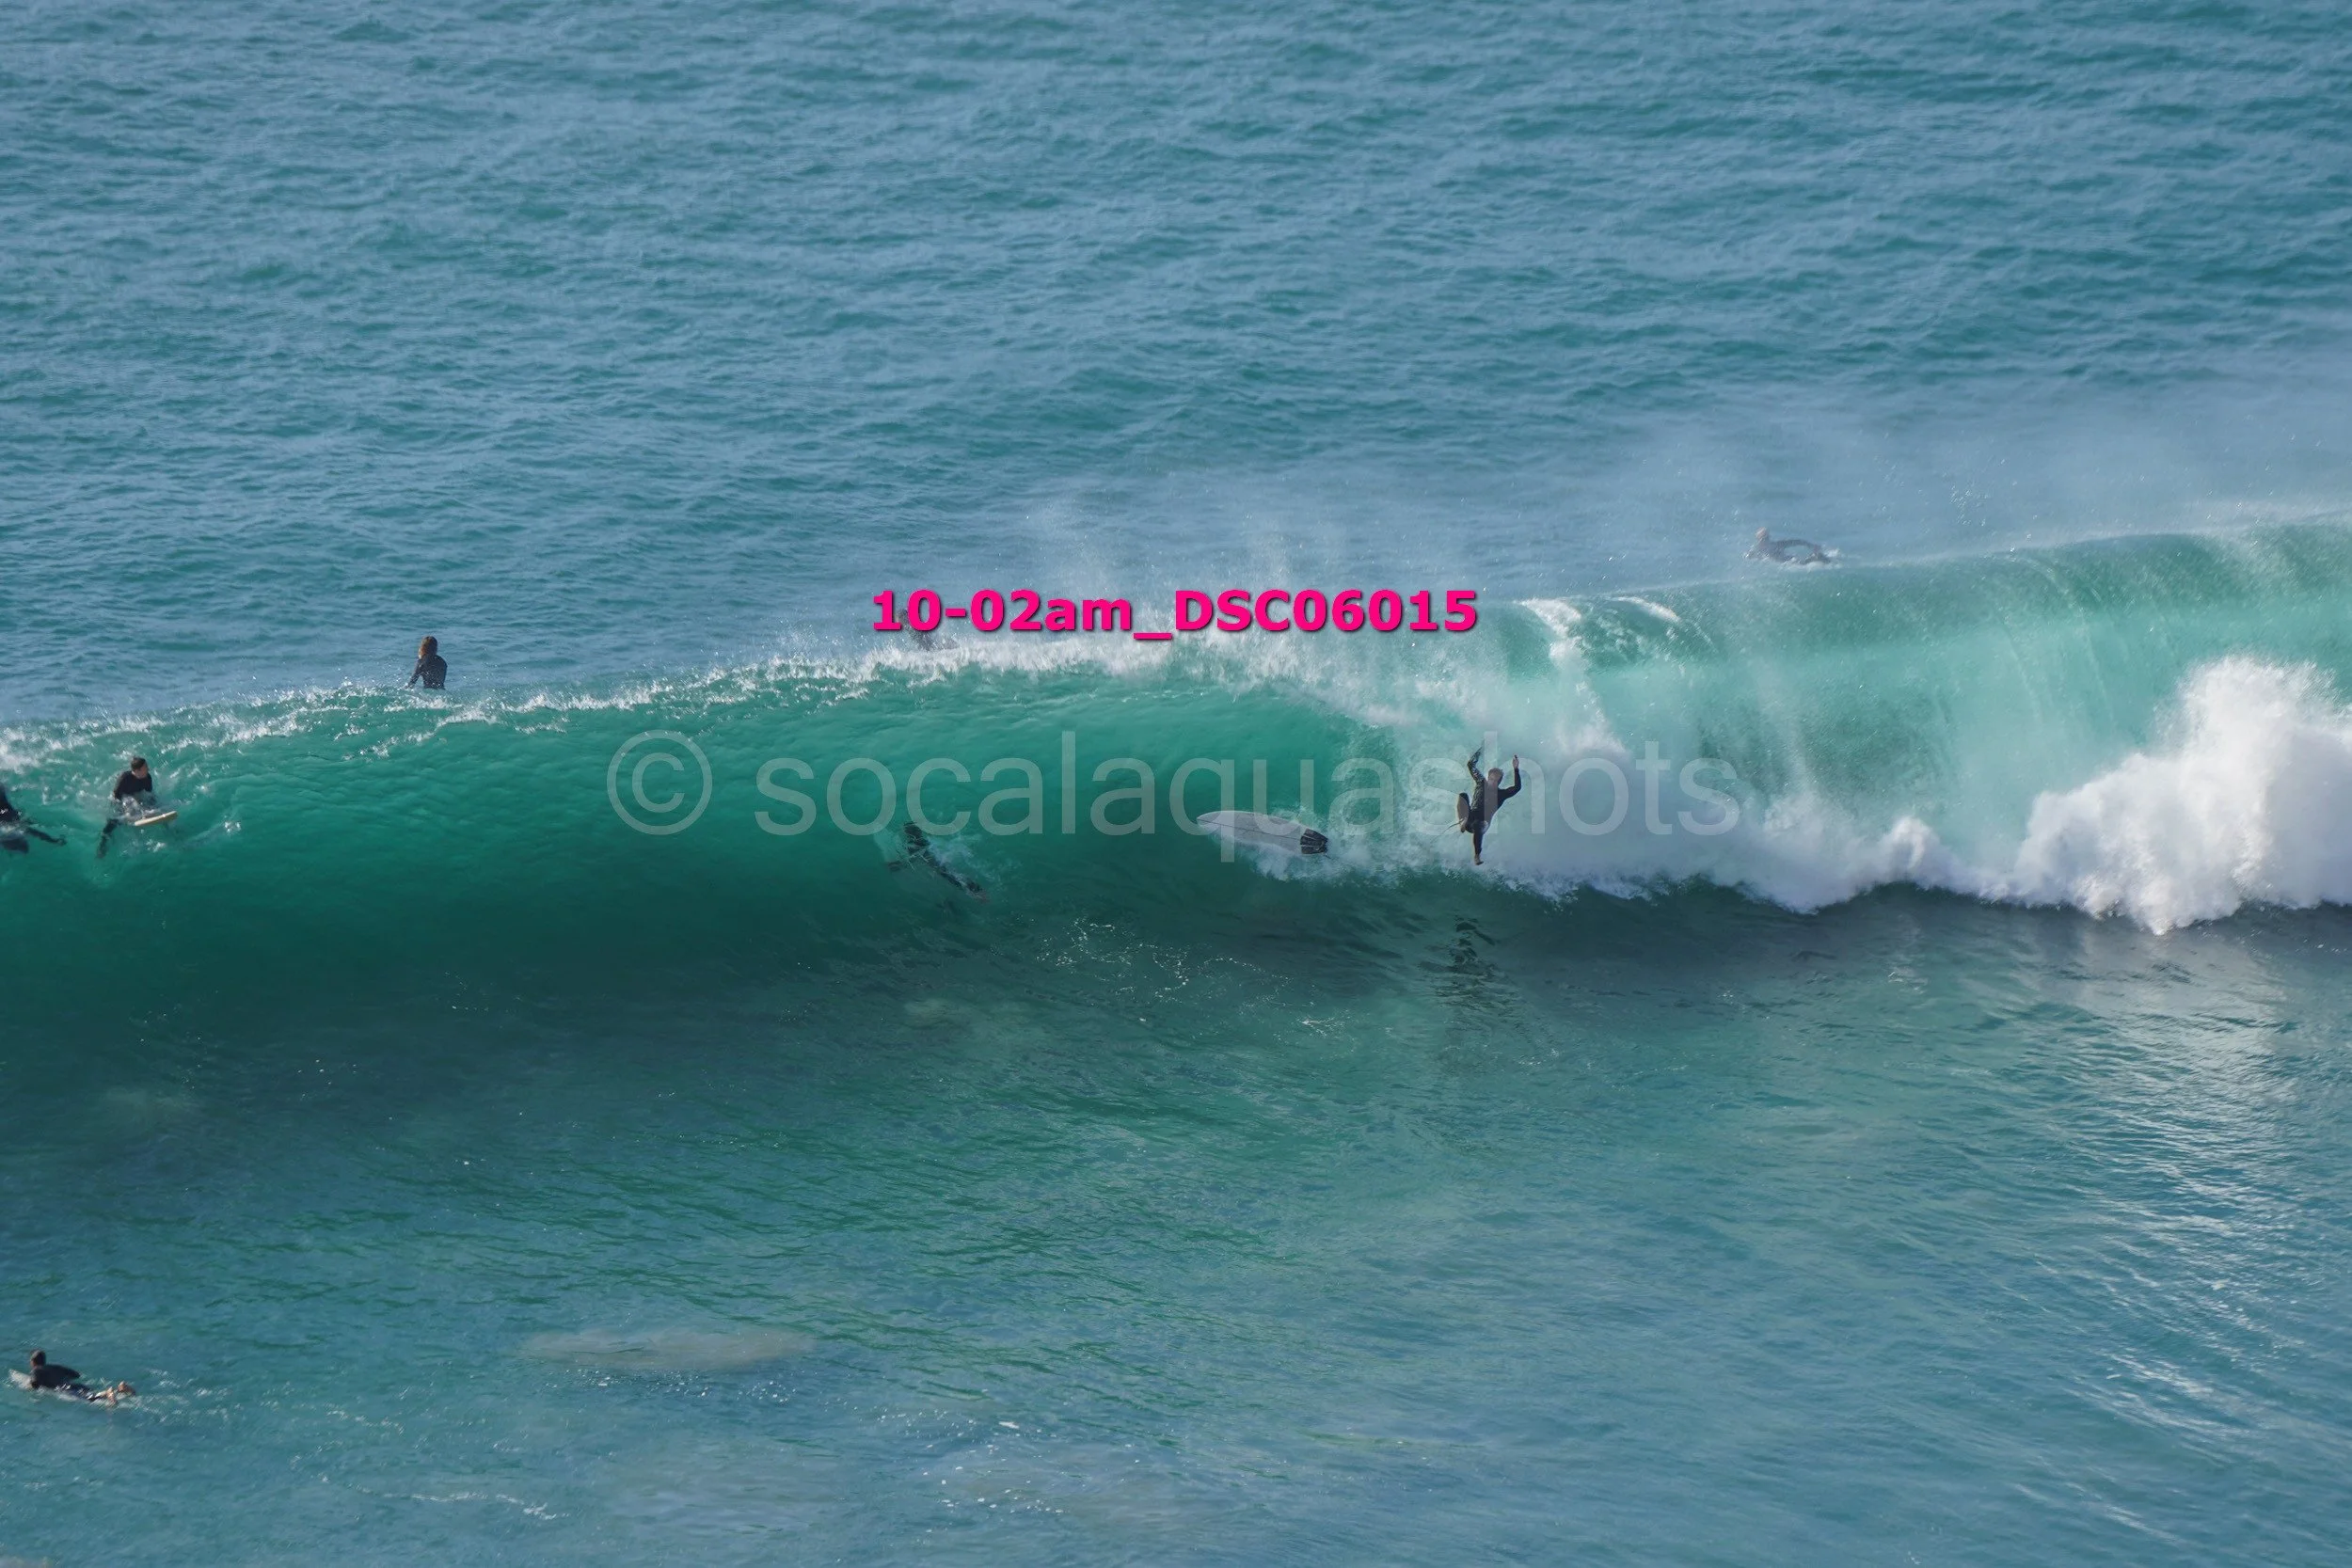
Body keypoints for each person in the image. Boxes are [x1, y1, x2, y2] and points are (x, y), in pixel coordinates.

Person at [1456, 752, 1521, 866]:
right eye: (1491, 778)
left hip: (1483, 823)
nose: (1492, 781)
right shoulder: (1481, 783)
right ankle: (1462, 821)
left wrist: (1516, 769)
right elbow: (1471, 764)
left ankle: (1477, 855)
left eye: (1496, 780)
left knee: (1479, 824)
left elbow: (1517, 788)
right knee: (1463, 795)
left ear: (1499, 782)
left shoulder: (1501, 794)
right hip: (1469, 817)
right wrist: (1481, 750)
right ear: (1488, 777)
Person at [894, 822, 987, 900]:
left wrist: (899, 865)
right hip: (940, 857)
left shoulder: (911, 844)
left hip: (935, 862)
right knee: (955, 874)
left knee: (952, 877)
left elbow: (913, 858)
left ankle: (978, 894)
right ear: (919, 831)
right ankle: (978, 891)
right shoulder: (925, 840)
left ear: (908, 834)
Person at [97, 757, 156, 857]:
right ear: (137, 771)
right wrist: (123, 811)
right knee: (113, 822)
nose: (148, 769)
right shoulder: (124, 779)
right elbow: (115, 798)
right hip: (122, 798)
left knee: (145, 807)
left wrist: (152, 808)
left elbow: (149, 795)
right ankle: (102, 845)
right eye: (145, 767)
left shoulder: (147, 778)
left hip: (137, 796)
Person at [0, 783, 65, 852]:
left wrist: (53, 840)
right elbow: (35, 832)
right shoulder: (14, 828)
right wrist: (53, 841)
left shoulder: (15, 828)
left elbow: (35, 832)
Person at [1749, 528, 1831, 565]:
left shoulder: (1757, 549)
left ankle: (1815, 557)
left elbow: (1796, 542)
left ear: (1758, 538)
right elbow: (1797, 541)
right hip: (1789, 559)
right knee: (1802, 561)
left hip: (1786, 562)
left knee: (1802, 562)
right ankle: (1816, 557)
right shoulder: (1778, 544)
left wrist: (1811, 545)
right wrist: (1811, 545)